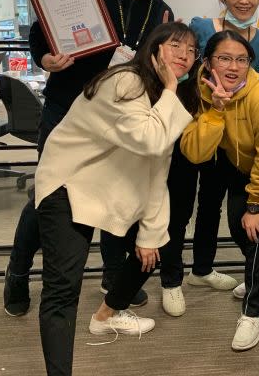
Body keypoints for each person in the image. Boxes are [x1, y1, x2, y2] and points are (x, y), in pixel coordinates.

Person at [4, 0, 175, 316]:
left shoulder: (161, 11)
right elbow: (39, 33)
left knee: (113, 188)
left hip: (117, 120)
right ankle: (17, 270)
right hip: (67, 110)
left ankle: (113, 275)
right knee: (49, 196)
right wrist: (46, 58)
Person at [35, 22, 199, 376]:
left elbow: (159, 167)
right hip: (69, 184)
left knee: (156, 248)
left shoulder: (163, 96)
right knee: (63, 289)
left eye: (191, 50)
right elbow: (150, 140)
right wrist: (171, 87)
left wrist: (151, 234)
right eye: (175, 46)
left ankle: (106, 316)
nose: (184, 56)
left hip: (110, 189)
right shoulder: (125, 80)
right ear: (154, 49)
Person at [175, 30, 259, 350]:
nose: (234, 66)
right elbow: (195, 152)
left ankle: (254, 311)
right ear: (207, 63)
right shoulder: (201, 88)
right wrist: (217, 110)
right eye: (224, 58)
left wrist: (255, 206)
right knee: (239, 228)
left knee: (256, 233)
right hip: (238, 168)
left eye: (241, 59)